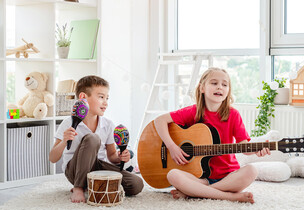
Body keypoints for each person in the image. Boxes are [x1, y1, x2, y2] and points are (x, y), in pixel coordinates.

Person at [154, 67, 270, 203]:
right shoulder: (193, 111)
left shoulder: (233, 114)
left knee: (251, 170)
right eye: (214, 83)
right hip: (200, 177)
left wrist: (257, 150)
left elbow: (243, 146)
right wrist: (172, 147)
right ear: (202, 88)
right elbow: (159, 120)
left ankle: (195, 192)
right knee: (173, 174)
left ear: (228, 91)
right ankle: (230, 197)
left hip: (229, 176)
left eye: (224, 85)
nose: (219, 87)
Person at [49, 75, 144, 203]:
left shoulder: (108, 125)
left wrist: (120, 157)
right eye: (101, 97)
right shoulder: (68, 123)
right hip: (74, 170)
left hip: (98, 167)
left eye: (107, 98)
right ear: (83, 97)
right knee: (93, 139)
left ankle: (91, 185)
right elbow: (53, 158)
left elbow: (111, 156)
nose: (105, 102)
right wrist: (64, 141)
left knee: (136, 184)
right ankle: (78, 187)